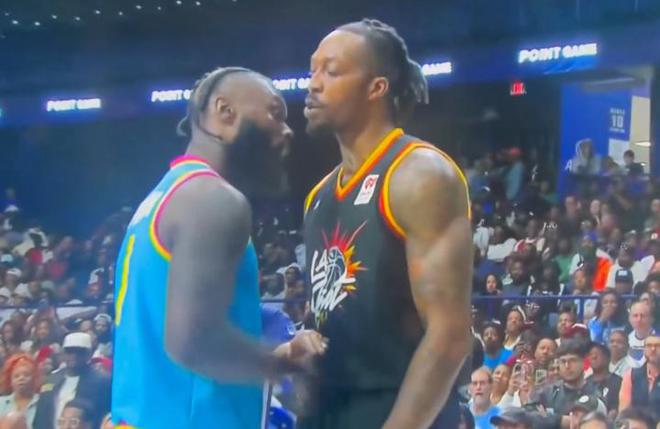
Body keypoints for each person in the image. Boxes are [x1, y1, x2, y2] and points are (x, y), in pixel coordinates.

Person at [111, 67, 325, 428]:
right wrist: (281, 367)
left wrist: (280, 353)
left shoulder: (164, 195)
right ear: (225, 112)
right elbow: (192, 342)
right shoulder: (213, 199)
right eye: (274, 113)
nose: (288, 130)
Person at [301, 19, 472, 429]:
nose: (313, 84)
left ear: (376, 87)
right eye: (312, 70)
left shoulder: (420, 175)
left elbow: (449, 336)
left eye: (331, 71)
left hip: (398, 411)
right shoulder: (318, 195)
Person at [33, 333, 110, 429]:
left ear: (89, 354)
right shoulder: (51, 379)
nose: (74, 356)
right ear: (63, 354)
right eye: (69, 351)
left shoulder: (102, 382)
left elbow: (103, 416)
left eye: (79, 352)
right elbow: (40, 416)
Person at [527, 339, 607, 429]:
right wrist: (560, 420)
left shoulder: (595, 394)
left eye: (573, 361)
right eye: (563, 361)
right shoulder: (547, 391)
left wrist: (545, 417)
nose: (567, 366)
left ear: (584, 363)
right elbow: (527, 415)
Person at [618, 333, 660, 415]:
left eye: (658, 346)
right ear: (644, 350)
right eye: (649, 345)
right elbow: (624, 409)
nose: (653, 349)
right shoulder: (631, 375)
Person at [0, 354, 39, 428]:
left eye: (26, 375)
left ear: (34, 378)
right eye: (16, 376)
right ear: (10, 381)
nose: (21, 378)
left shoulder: (43, 403)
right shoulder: (1, 403)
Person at [585, 342, 622, 415]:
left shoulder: (618, 382)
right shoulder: (585, 383)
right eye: (591, 354)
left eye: (597, 354)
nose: (593, 357)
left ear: (607, 358)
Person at [628, 302, 657, 366]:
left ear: (651, 319)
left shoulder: (658, 339)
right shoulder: (625, 340)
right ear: (629, 319)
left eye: (643, 316)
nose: (639, 319)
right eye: (635, 316)